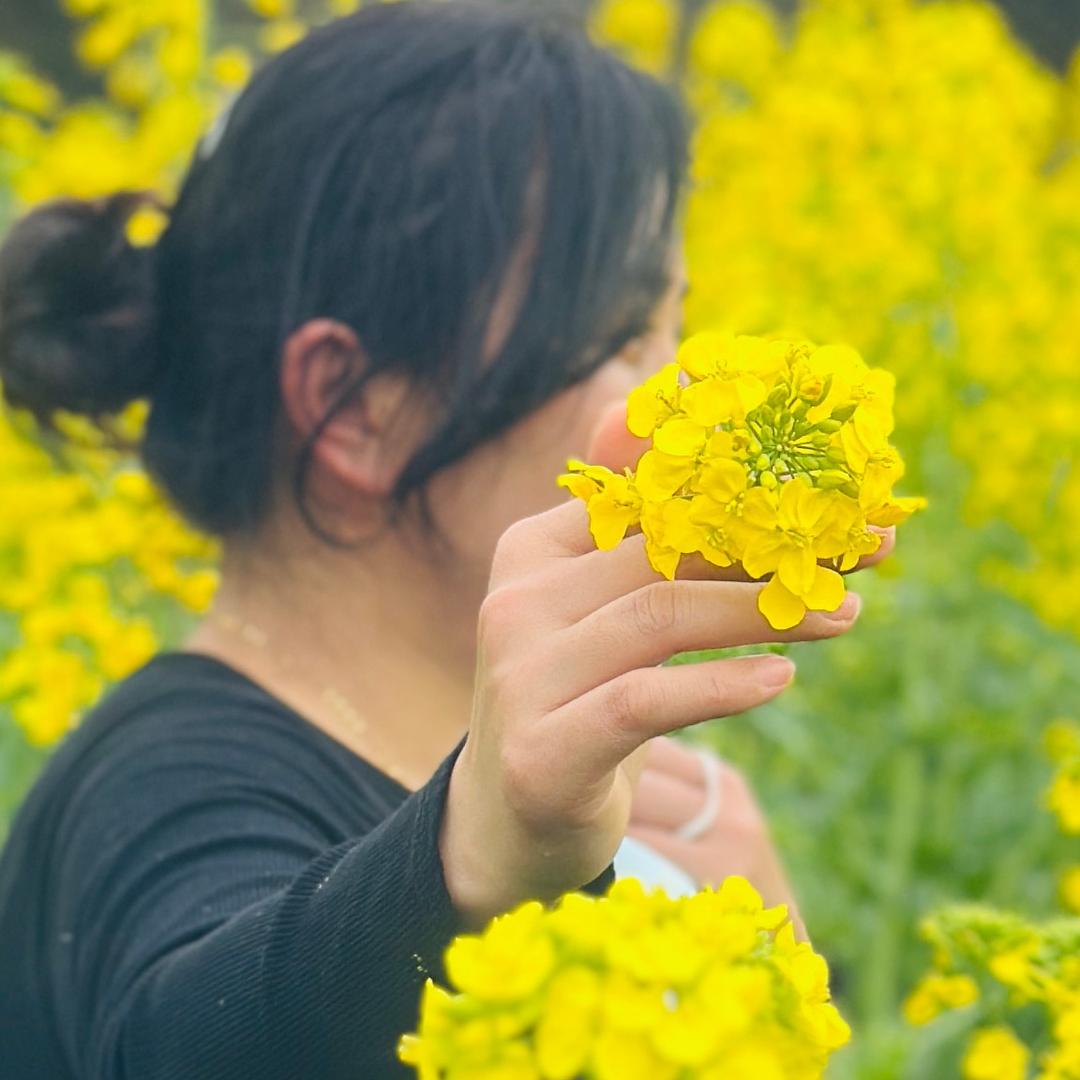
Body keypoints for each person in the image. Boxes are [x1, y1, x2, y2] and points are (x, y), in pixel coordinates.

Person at [0, 2, 891, 1076]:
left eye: (677, 328)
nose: (678, 400)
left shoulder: (604, 805)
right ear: (358, 403)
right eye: (620, 339)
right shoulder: (161, 788)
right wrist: (468, 861)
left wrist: (764, 987)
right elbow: (181, 1038)